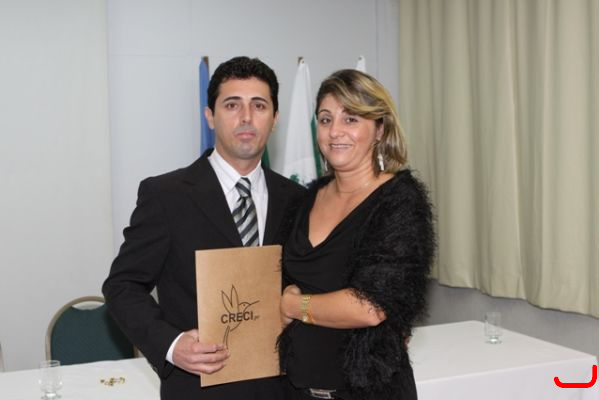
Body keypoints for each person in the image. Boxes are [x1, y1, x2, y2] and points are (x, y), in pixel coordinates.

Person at [102, 56, 305, 400]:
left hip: (283, 388)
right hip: (197, 387)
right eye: (232, 105)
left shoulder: (297, 199)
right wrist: (172, 344)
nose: (246, 117)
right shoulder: (166, 196)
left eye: (259, 105)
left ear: (275, 119)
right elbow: (122, 286)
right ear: (210, 116)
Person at [279, 69, 435, 400]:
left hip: (369, 392)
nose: (335, 131)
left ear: (380, 129)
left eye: (350, 119)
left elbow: (370, 307)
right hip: (295, 390)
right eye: (325, 119)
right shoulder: (304, 200)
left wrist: (295, 305)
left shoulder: (399, 201)